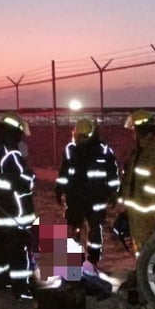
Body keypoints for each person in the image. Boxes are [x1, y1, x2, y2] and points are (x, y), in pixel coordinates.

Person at [0, 112, 37, 300]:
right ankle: (21, 289)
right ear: (13, 134)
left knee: (1, 249)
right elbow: (23, 184)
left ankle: (0, 281)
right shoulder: (12, 156)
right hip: (17, 214)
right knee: (20, 252)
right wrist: (31, 175)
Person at [54, 117, 119, 274]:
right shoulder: (71, 150)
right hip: (76, 199)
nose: (80, 140)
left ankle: (93, 262)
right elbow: (64, 172)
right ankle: (74, 264)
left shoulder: (103, 150)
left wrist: (114, 192)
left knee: (95, 232)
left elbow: (112, 174)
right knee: (73, 231)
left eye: (83, 137)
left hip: (95, 200)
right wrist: (59, 188)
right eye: (78, 136)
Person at [118, 109, 155, 254]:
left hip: (144, 206)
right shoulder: (141, 149)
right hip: (137, 205)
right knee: (139, 241)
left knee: (145, 241)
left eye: (134, 130)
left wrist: (147, 201)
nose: (133, 134)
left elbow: (153, 180)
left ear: (142, 129)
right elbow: (132, 178)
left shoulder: (152, 150)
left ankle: (145, 270)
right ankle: (142, 267)